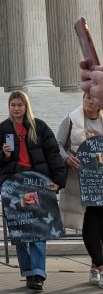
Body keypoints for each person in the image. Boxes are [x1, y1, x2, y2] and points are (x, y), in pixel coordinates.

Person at [0, 90, 66, 291]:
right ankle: (28, 272)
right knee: (20, 230)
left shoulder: (39, 126)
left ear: (26, 106)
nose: (16, 109)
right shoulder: (4, 128)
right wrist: (3, 155)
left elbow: (53, 154)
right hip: (14, 186)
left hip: (37, 185)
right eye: (13, 105)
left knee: (38, 229)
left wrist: (58, 180)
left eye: (20, 105)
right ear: (9, 106)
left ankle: (38, 273)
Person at [56, 93, 103, 287]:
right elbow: (57, 144)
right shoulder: (71, 120)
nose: (89, 101)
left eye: (94, 98)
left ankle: (94, 267)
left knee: (101, 226)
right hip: (80, 181)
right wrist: (66, 157)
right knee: (90, 225)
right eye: (86, 97)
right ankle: (101, 267)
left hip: (101, 180)